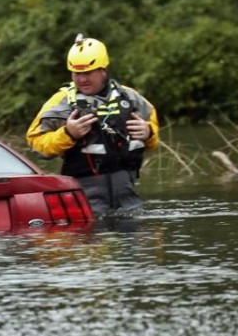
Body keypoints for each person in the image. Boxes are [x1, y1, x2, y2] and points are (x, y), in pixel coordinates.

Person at [26, 34, 160, 215]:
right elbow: (36, 144)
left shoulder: (130, 98)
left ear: (103, 70)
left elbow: (153, 138)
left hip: (128, 199)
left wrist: (149, 133)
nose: (82, 79)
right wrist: (68, 134)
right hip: (85, 201)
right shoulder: (61, 103)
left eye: (87, 73)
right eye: (77, 73)